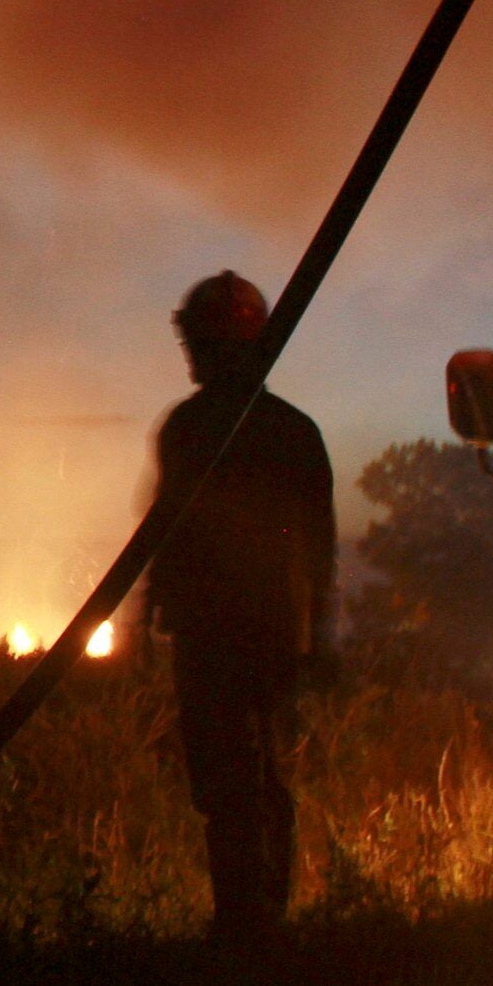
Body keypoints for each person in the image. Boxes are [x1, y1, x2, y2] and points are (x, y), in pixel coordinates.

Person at [140, 271, 336, 942]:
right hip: (258, 633)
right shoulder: (286, 431)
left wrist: (145, 621)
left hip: (229, 633)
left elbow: (316, 546)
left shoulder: (194, 429)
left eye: (198, 341)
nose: (190, 356)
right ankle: (254, 916)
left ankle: (245, 922)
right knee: (248, 778)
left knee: (233, 780)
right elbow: (166, 535)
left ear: (225, 345)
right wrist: (319, 636)